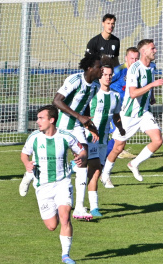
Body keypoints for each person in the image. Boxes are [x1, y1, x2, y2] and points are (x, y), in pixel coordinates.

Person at [20, 105, 87, 264]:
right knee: (52, 226)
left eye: (41, 118)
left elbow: (82, 151)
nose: (37, 121)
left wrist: (81, 158)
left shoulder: (65, 136)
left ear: (52, 120)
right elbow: (24, 154)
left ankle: (66, 255)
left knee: (65, 217)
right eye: (37, 118)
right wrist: (27, 164)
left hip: (62, 182)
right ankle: (29, 175)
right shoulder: (34, 137)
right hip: (43, 185)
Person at [100, 39, 163, 188]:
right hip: (129, 114)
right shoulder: (134, 69)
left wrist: (152, 95)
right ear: (144, 51)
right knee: (118, 147)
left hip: (144, 112)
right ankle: (105, 175)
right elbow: (133, 93)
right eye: (152, 48)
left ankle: (134, 163)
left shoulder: (152, 67)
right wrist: (152, 85)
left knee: (158, 140)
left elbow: (149, 86)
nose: (155, 50)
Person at [52, 54, 102, 221]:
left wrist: (91, 126)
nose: (102, 69)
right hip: (61, 126)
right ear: (89, 68)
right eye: (99, 66)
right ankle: (31, 174)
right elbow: (57, 101)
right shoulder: (75, 80)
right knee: (54, 162)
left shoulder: (95, 86)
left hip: (77, 127)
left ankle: (79, 206)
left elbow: (84, 110)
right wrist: (78, 117)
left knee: (83, 158)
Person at [81, 62, 124, 216]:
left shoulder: (115, 96)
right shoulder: (92, 94)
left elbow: (116, 115)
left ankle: (82, 202)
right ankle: (93, 207)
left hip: (104, 141)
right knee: (95, 169)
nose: (108, 77)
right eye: (105, 74)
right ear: (99, 75)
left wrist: (120, 128)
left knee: (94, 172)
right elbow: (82, 113)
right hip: (90, 138)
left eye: (110, 74)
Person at [106, 46, 139, 161]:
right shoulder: (119, 70)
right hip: (112, 107)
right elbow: (104, 81)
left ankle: (107, 154)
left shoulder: (137, 70)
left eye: (136, 59)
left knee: (121, 133)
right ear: (126, 58)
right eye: (132, 59)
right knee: (118, 133)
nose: (134, 61)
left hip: (125, 108)